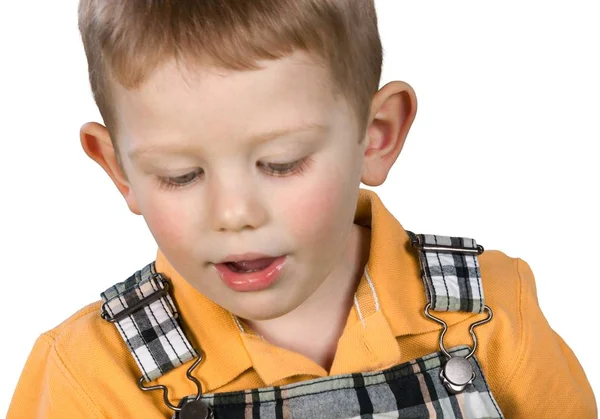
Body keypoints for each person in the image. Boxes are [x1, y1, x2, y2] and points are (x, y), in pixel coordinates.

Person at [7, 0, 596, 418]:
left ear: (377, 136)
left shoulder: (488, 314)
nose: (234, 213)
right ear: (119, 170)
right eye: (179, 175)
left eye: (282, 162)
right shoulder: (91, 377)